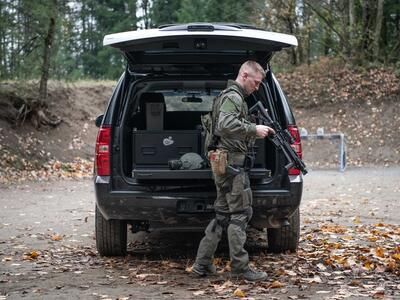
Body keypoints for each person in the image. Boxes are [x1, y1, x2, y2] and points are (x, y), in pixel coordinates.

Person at [191, 61, 275, 281]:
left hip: (224, 163)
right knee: (240, 214)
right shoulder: (234, 97)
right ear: (244, 75)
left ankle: (202, 264)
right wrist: (253, 129)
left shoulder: (229, 96)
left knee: (222, 215)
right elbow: (224, 125)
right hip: (231, 165)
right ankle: (240, 267)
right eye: (256, 83)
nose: (257, 88)